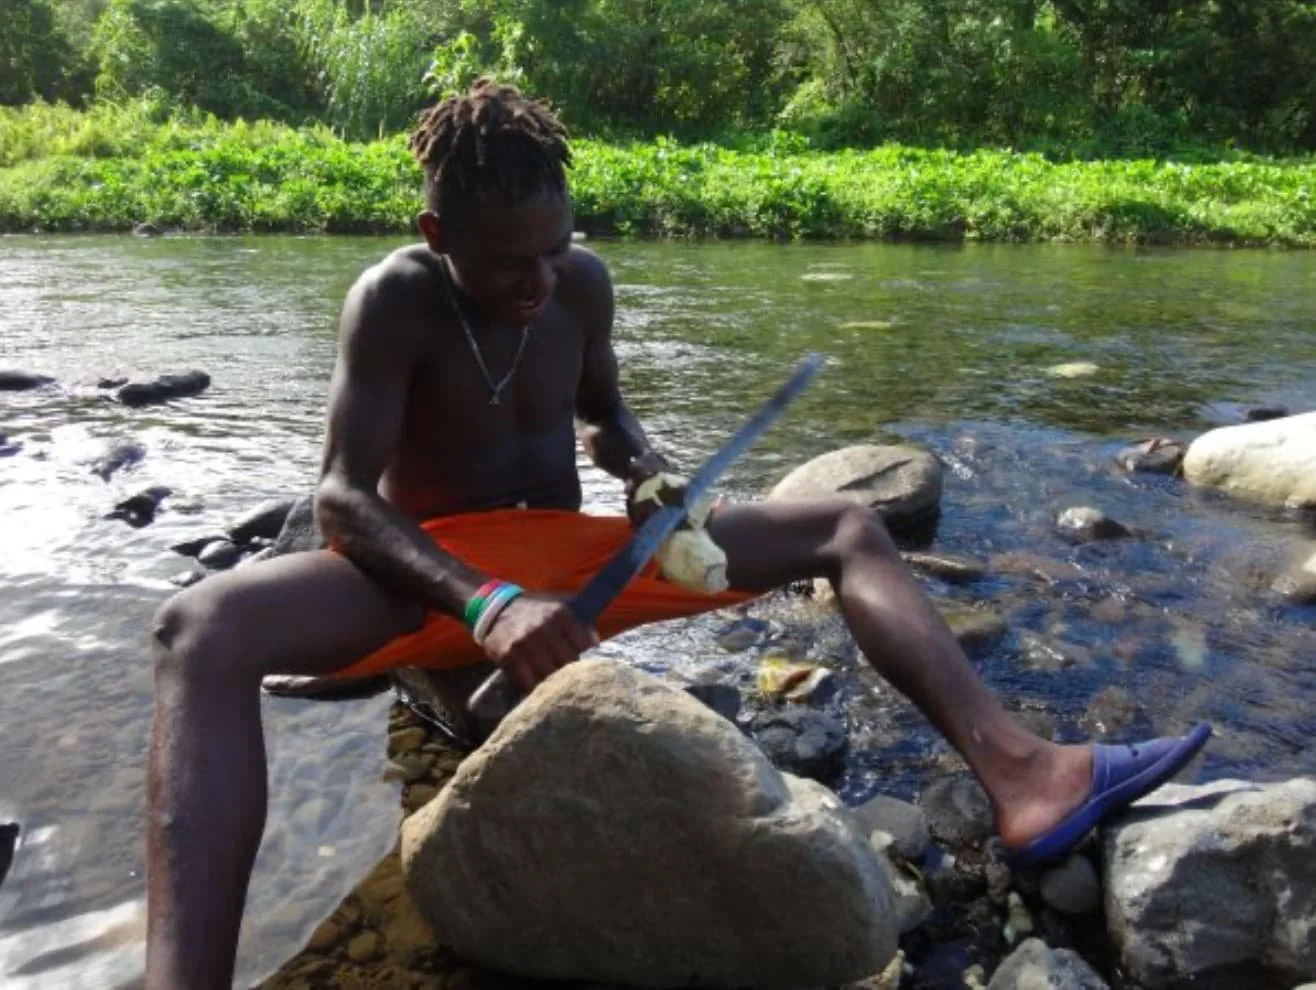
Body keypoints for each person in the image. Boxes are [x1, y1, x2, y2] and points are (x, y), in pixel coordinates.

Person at [144, 79, 1210, 990]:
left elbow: (607, 420)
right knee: (198, 629)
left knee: (845, 523)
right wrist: (483, 601)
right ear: (436, 239)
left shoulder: (579, 285)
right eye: (510, 263)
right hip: (438, 576)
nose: (538, 282)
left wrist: (649, 479)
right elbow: (340, 501)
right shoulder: (392, 300)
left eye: (553, 252)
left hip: (569, 559)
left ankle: (1026, 778)